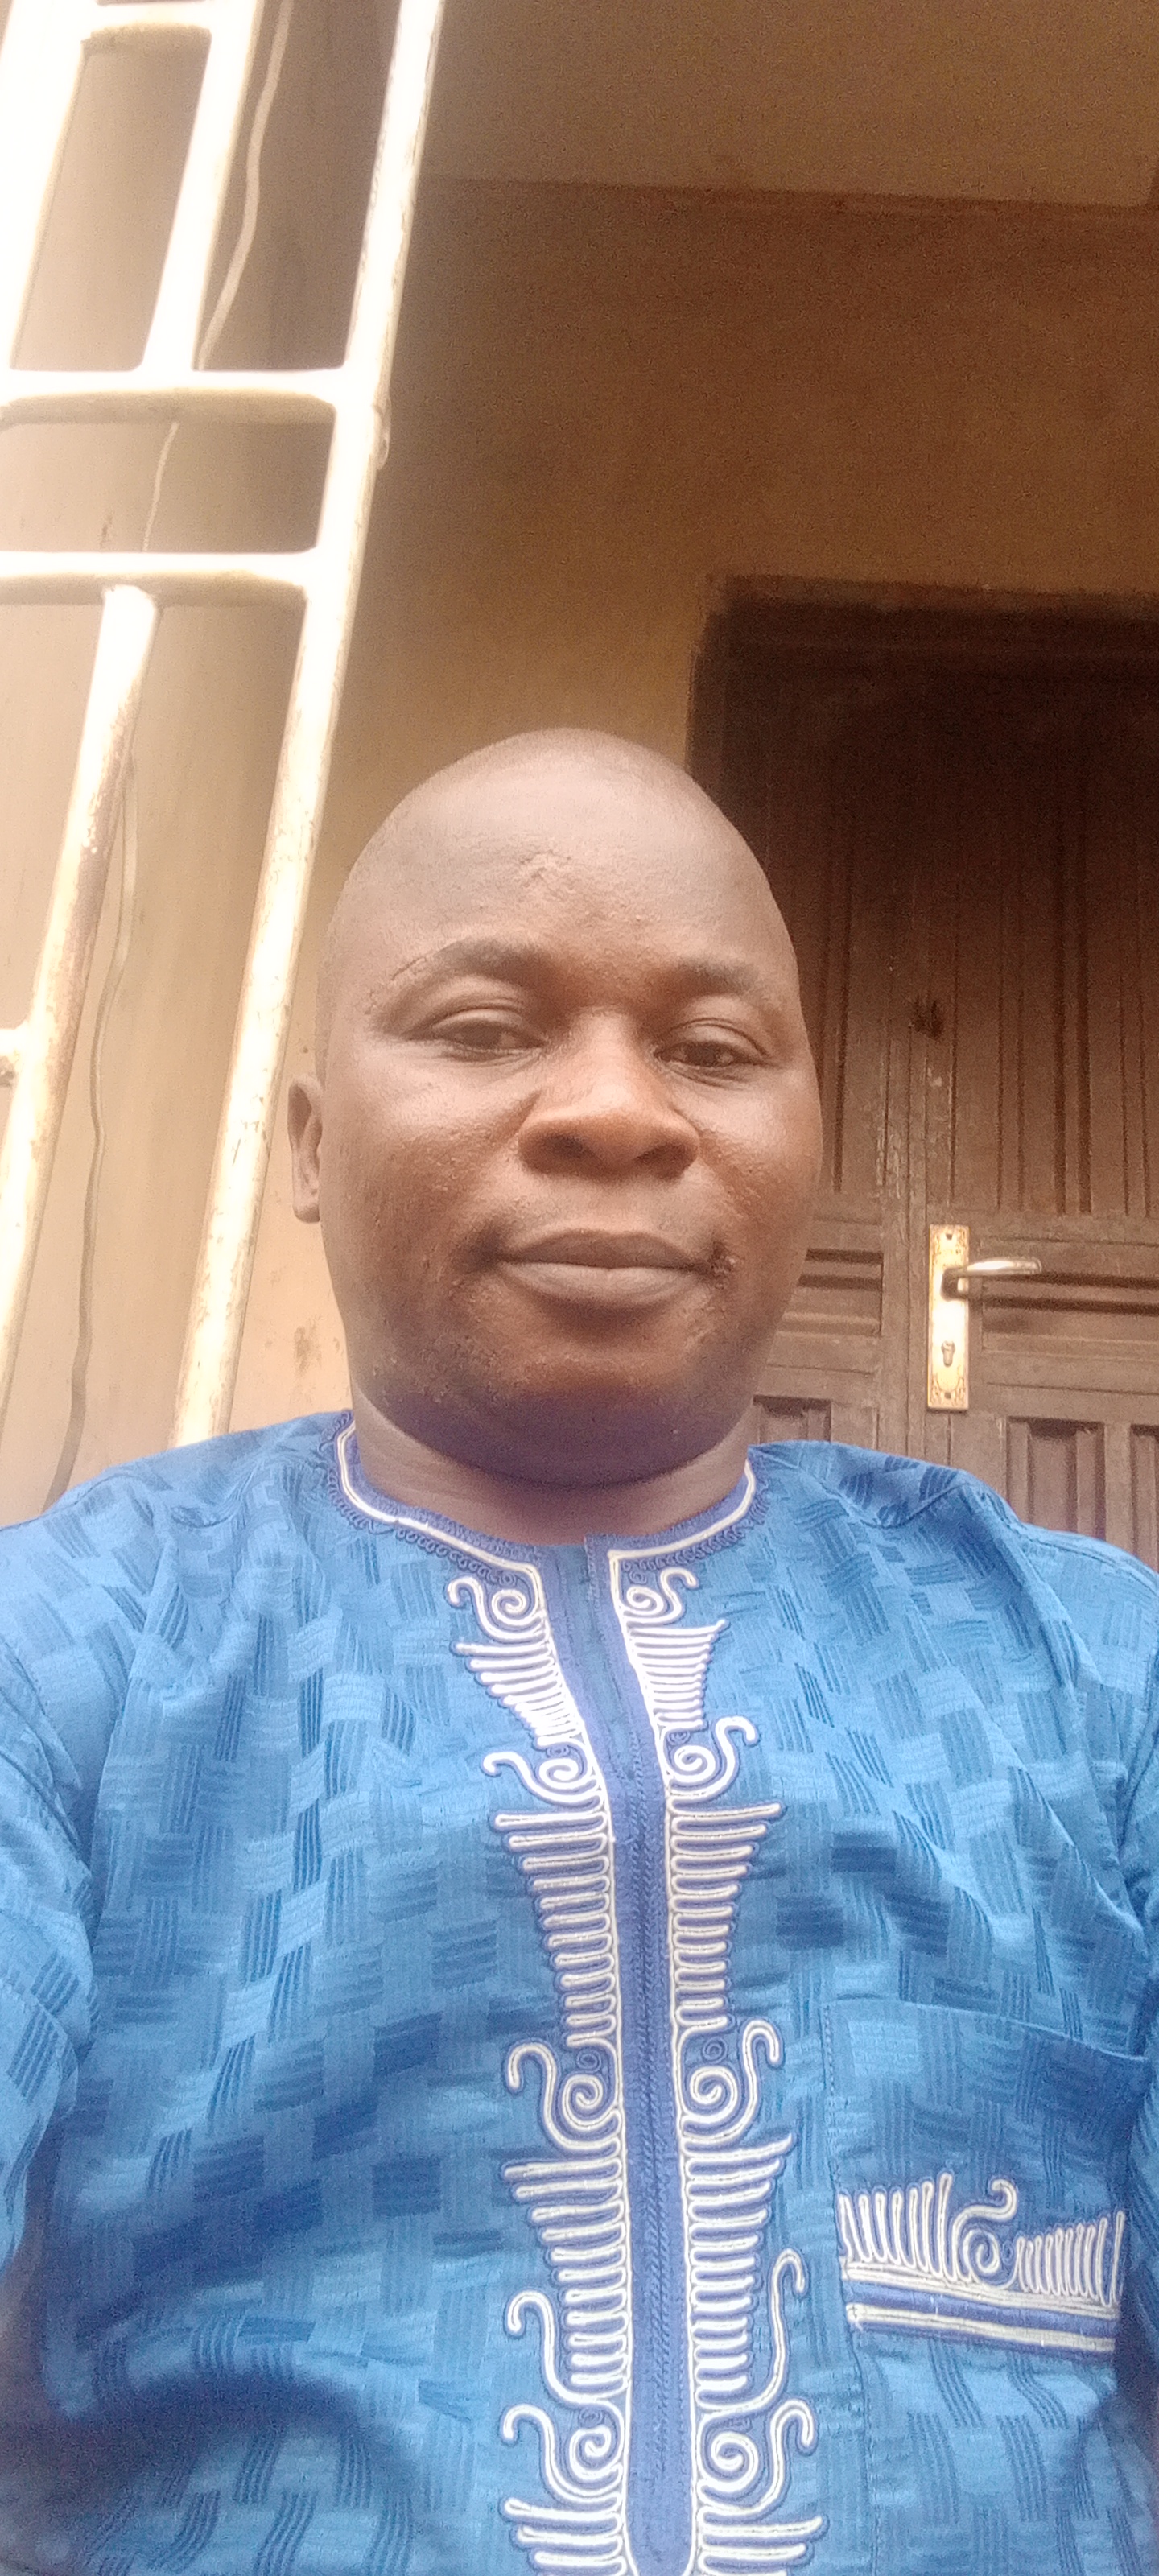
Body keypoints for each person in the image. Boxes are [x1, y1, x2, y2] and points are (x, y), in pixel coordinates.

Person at [0, 728, 1157, 2576]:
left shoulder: (1087, 1672)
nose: (618, 1111)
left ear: (806, 1143)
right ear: (312, 1142)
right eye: (482, 1029)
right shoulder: (75, 1650)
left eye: (713, 1049)